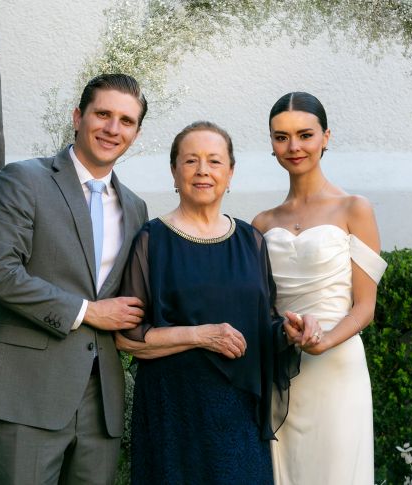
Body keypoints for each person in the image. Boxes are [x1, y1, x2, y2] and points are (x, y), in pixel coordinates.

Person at [0, 73, 150, 485]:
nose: (112, 128)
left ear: (135, 134)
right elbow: (0, 272)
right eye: (103, 114)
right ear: (77, 116)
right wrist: (87, 311)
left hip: (101, 401)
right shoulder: (24, 180)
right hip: (28, 391)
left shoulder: (136, 208)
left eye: (126, 121)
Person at [114, 121, 302, 485]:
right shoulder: (152, 240)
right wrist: (201, 335)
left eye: (214, 161)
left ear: (230, 173)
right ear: (174, 171)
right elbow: (128, 337)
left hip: (240, 411)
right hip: (174, 408)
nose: (203, 171)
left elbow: (265, 323)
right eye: (191, 161)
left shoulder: (251, 240)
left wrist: (290, 333)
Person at [252, 92, 389, 485]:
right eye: (281, 137)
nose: (293, 147)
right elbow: (261, 307)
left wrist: (326, 340)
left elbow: (365, 306)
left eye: (305, 134)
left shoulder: (354, 209)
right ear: (272, 144)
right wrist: (284, 330)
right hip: (285, 372)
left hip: (337, 367)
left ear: (325, 137)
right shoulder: (261, 223)